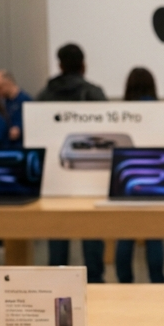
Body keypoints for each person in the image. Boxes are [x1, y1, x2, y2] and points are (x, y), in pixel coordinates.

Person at [38, 43, 108, 283]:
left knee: (57, 234)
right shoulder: (94, 93)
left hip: (54, 176)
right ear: (83, 65)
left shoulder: (45, 95)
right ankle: (96, 284)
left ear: (59, 65)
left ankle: (57, 285)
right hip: (91, 174)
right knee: (91, 234)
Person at [114, 66, 164, 284]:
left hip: (126, 178)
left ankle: (123, 281)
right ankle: (157, 280)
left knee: (125, 233)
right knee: (154, 233)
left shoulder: (122, 113)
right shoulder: (161, 111)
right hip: (156, 176)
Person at [0, 69, 30, 145]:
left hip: (20, 145)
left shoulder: (25, 101)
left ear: (8, 84)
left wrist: (20, 129)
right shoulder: (2, 102)